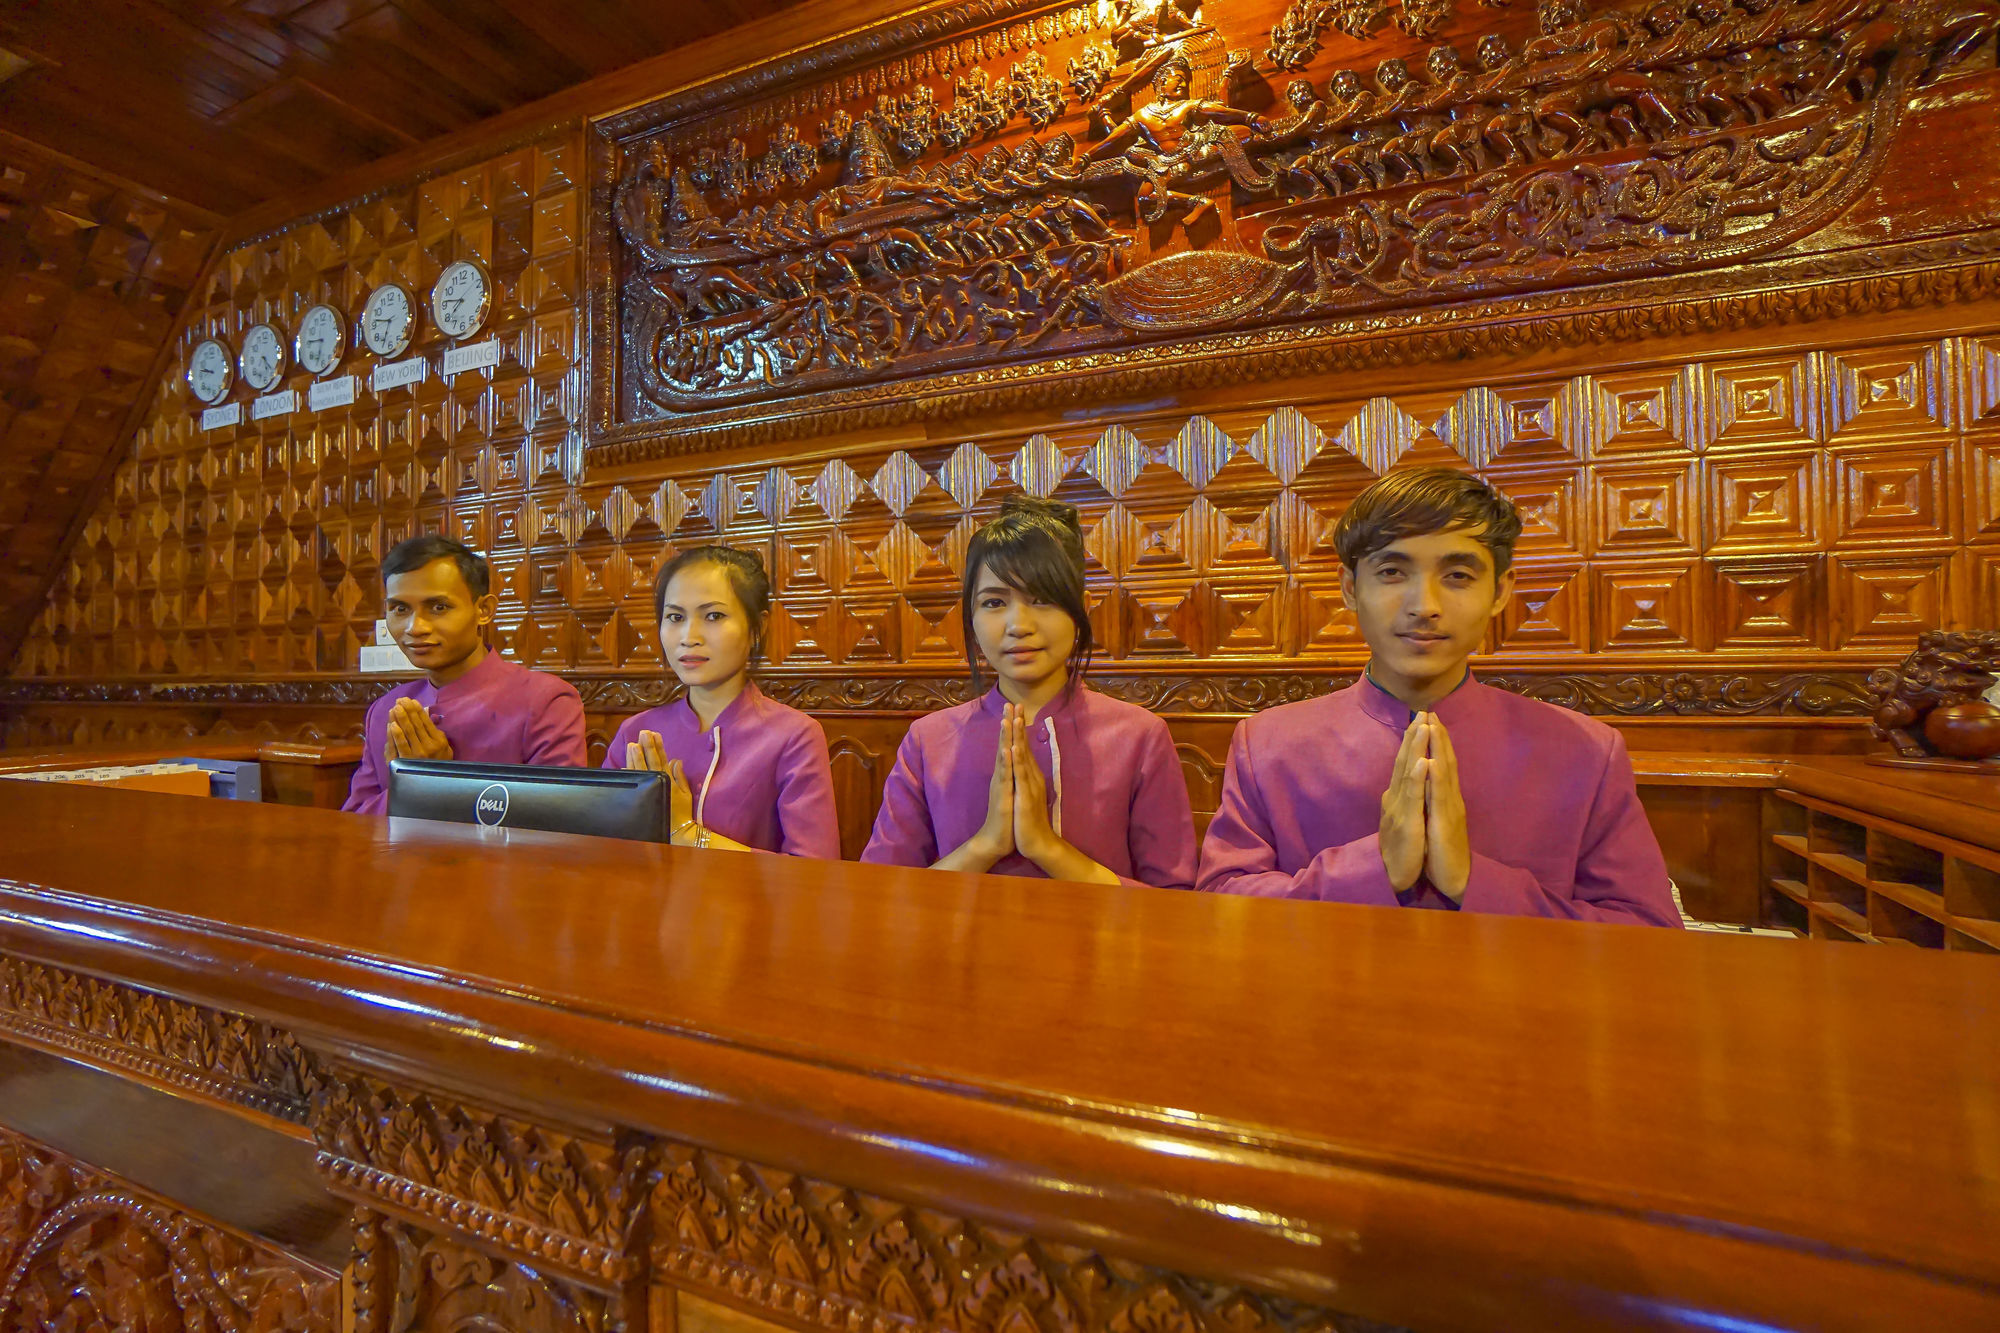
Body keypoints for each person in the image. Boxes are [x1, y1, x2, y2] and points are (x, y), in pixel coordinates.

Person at [1195, 468, 1680, 925]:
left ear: (1500, 590)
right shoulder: (1268, 744)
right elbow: (1221, 907)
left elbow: (1646, 933)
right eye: (1391, 572)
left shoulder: (1587, 753)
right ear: (1349, 588)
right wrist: (1372, 868)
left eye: (1458, 576)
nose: (1424, 606)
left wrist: (1473, 880)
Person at [862, 496, 1196, 887]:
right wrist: (986, 844)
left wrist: (1046, 848)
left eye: (1042, 599)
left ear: (1080, 609)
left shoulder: (1140, 736)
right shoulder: (928, 741)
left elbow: (1175, 902)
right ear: (970, 617)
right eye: (994, 602)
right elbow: (879, 894)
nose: (1018, 624)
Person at [605, 546, 839, 857]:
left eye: (713, 615)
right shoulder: (635, 732)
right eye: (675, 616)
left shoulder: (794, 736)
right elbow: (600, 849)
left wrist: (685, 832)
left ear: (758, 627)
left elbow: (815, 873)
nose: (689, 636)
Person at [343, 535, 585, 815]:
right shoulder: (385, 709)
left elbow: (556, 821)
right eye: (400, 609)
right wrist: (413, 786)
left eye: (438, 607)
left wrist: (437, 784)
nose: (415, 627)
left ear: (484, 610)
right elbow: (357, 820)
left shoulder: (546, 701)